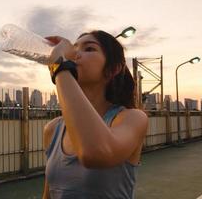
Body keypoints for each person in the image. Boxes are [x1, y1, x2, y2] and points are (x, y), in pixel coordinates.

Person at [42, 30, 148, 199]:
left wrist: (60, 67)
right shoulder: (52, 129)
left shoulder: (132, 118)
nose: (75, 53)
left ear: (112, 69)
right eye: (74, 48)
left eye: (89, 49)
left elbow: (96, 153)